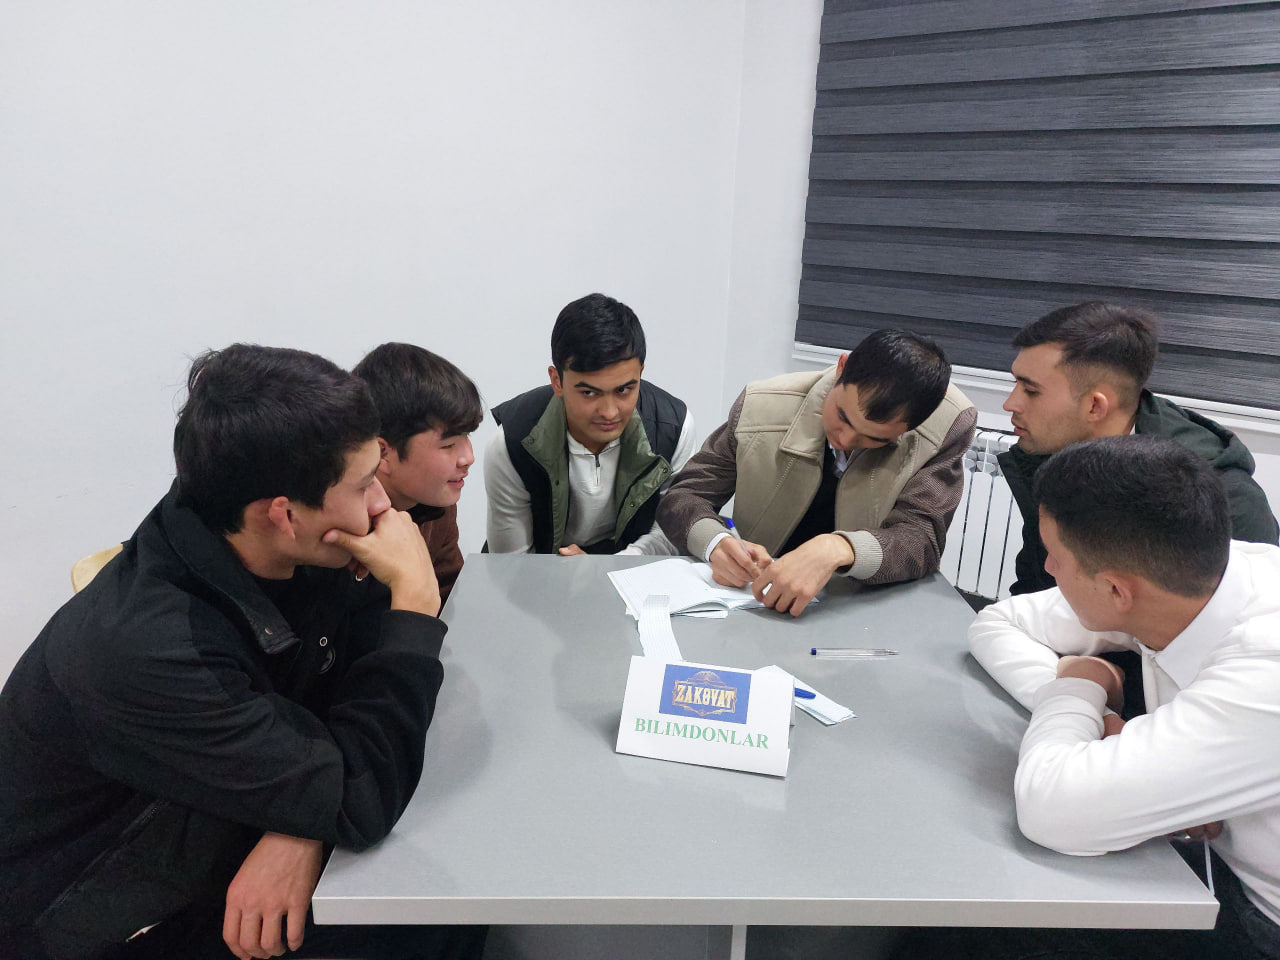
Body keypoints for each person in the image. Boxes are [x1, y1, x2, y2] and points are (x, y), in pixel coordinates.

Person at [0, 345, 482, 960]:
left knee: (447, 890)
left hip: (212, 823)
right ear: (282, 514)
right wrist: (413, 604)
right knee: (433, 908)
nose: (383, 505)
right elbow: (362, 794)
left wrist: (300, 825)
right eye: (365, 485)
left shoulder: (263, 530)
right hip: (104, 922)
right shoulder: (151, 653)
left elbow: (345, 683)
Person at [954, 436, 1280, 960]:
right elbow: (998, 622)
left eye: (1056, 557)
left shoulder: (1266, 664)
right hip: (1218, 861)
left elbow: (1052, 811)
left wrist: (1079, 685)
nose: (1048, 569)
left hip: (1261, 919)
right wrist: (1099, 717)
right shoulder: (1199, 576)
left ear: (1116, 591)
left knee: (979, 922)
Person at [657, 329, 976, 617]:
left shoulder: (946, 426)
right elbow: (684, 496)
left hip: (861, 608)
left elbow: (921, 540)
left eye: (875, 439)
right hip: (756, 601)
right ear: (841, 368)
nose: (845, 439)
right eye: (843, 417)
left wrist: (839, 549)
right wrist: (715, 543)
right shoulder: (762, 406)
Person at [1001, 300, 1277, 596]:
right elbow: (1037, 587)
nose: (1010, 403)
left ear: (1095, 406)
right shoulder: (1051, 454)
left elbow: (1247, 617)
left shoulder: (1224, 503)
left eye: (1031, 391)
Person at [484, 292, 696, 556]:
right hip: (537, 573)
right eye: (589, 393)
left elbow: (672, 531)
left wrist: (604, 569)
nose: (609, 412)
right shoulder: (513, 442)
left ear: (641, 373)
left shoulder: (674, 428)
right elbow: (511, 564)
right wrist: (574, 575)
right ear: (557, 381)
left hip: (633, 571)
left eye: (624, 390)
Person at [354, 342, 483, 605]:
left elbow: (450, 599)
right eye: (448, 445)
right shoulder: (342, 520)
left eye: (467, 435)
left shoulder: (435, 501)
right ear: (382, 453)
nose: (468, 458)